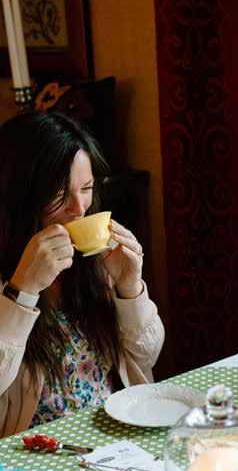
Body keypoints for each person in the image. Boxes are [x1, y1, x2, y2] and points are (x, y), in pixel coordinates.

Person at [0, 111, 165, 437]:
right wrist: (23, 290)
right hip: (35, 453)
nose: (79, 208)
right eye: (60, 193)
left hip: (115, 437)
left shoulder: (96, 262)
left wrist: (130, 288)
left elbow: (146, 358)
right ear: (21, 196)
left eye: (86, 188)